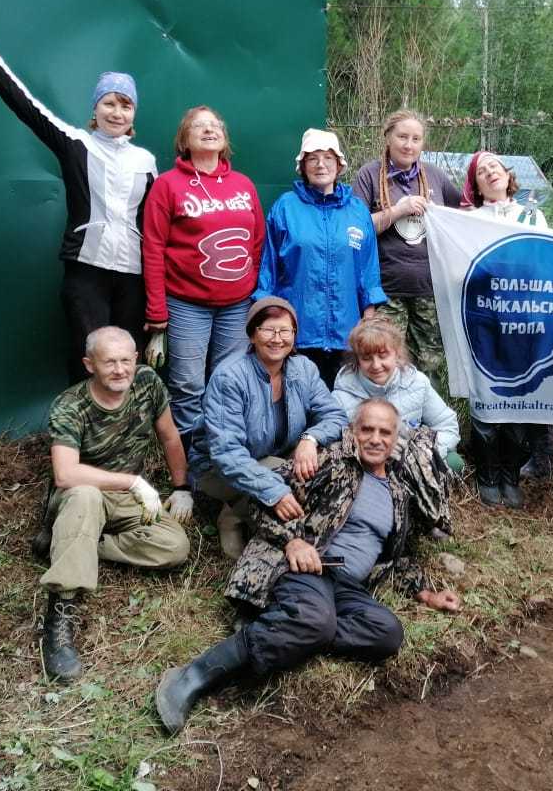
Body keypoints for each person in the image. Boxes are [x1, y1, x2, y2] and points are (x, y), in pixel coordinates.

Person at [154, 398, 461, 736]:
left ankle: (293, 628)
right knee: (315, 619)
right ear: (353, 431)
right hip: (305, 567)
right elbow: (261, 495)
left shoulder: (399, 494)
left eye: (384, 432)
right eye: (367, 429)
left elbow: (394, 558)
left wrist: (426, 594)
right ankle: (192, 676)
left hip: (348, 588)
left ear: (395, 439)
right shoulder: (329, 462)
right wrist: (293, 541)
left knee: (387, 633)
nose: (375, 438)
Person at [0, 10, 158, 382]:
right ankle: (78, 437)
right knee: (92, 356)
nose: (117, 112)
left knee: (127, 361)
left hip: (135, 277)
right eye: (109, 103)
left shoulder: (146, 162)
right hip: (87, 272)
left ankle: (124, 438)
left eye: (125, 105)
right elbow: (24, 103)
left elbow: (159, 223)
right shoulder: (75, 143)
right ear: (95, 110)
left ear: (134, 115)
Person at [37, 327, 192, 680]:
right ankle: (59, 619)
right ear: (90, 364)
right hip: (81, 494)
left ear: (136, 359)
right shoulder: (70, 404)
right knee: (85, 495)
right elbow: (65, 474)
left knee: (174, 546)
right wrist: (133, 481)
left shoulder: (147, 383)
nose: (120, 369)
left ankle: (75, 543)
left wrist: (181, 487)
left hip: (126, 500)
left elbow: (169, 435)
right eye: (109, 362)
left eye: (126, 360)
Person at [142, 106, 265, 448]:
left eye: (215, 125)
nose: (209, 130)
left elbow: (257, 242)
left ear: (224, 138)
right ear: (184, 139)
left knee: (228, 382)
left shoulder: (243, 184)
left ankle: (224, 457)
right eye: (199, 126)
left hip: (237, 305)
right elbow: (153, 248)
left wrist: (249, 285)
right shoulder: (168, 185)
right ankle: (191, 468)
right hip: (186, 304)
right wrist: (157, 313)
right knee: (188, 386)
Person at [189, 297, 348, 559]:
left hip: (276, 459)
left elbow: (335, 416)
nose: (277, 339)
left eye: (285, 331)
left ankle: (249, 513)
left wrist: (310, 438)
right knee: (286, 480)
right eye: (268, 330)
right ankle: (233, 516)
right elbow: (226, 453)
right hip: (217, 468)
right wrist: (274, 491)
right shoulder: (230, 376)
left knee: (331, 460)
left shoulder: (303, 369)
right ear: (252, 334)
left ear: (294, 335)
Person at [255, 129, 387, 387]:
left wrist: (368, 319)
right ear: (302, 166)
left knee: (342, 407)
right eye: (312, 158)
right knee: (297, 405)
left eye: (328, 157)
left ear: (339, 165)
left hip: (346, 333)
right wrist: (270, 318)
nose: (320, 164)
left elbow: (369, 270)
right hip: (297, 332)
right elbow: (268, 269)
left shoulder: (357, 210)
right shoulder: (285, 207)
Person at [460, 151, 553, 506]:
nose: (489, 173)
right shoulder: (468, 220)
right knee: (486, 393)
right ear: (477, 185)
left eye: (494, 167)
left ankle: (510, 475)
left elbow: (546, 262)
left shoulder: (531, 214)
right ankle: (486, 474)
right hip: (484, 319)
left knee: (519, 396)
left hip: (524, 319)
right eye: (481, 172)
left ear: (506, 174)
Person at [353, 110, 462, 388]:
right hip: (387, 289)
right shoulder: (370, 175)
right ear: (388, 137)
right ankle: (387, 425)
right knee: (385, 359)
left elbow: (462, 218)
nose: (408, 144)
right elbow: (356, 229)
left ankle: (427, 426)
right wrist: (398, 210)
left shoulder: (435, 176)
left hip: (428, 287)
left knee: (430, 364)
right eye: (402, 136)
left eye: (416, 138)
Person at [333, 318, 462, 469]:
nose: (376, 365)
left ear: (397, 353)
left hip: (413, 460)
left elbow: (447, 426)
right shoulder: (341, 395)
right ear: (357, 359)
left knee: (454, 462)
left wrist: (417, 453)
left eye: (383, 355)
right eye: (366, 358)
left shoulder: (417, 382)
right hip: (366, 467)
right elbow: (333, 446)